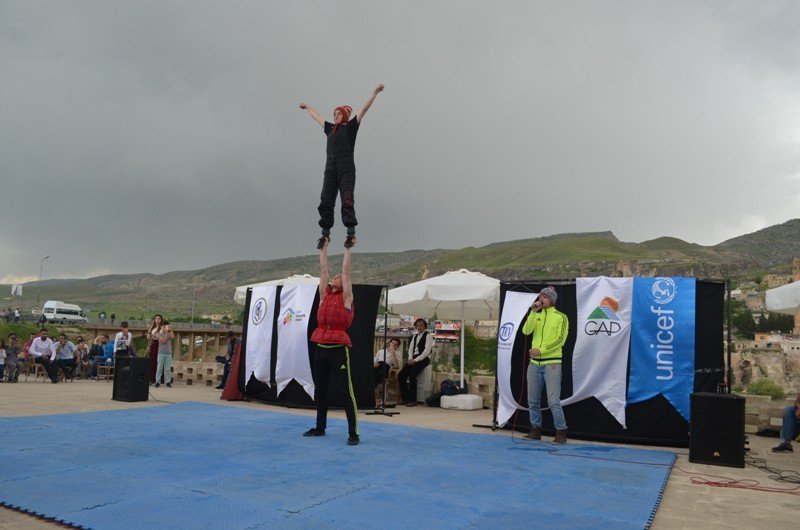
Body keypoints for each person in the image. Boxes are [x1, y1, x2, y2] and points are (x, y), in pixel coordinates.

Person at [299, 83, 385, 249]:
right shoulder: (330, 129)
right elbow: (317, 117)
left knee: (347, 198)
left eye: (338, 114)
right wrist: (308, 107)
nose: (335, 116)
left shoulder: (350, 127)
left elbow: (364, 109)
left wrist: (374, 93)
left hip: (346, 168)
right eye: (334, 114)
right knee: (326, 199)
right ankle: (325, 234)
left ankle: (351, 234)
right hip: (330, 169)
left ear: (344, 116)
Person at [303, 237, 360, 446]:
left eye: (338, 277)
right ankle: (320, 427)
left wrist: (347, 249)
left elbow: (346, 272)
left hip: (338, 349)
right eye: (334, 277)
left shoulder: (347, 297)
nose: (335, 277)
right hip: (320, 347)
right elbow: (323, 270)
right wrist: (324, 248)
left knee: (346, 393)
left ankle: (353, 433)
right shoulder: (323, 295)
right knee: (320, 390)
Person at [522, 286, 569, 444]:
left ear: (552, 300)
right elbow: (526, 331)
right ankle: (535, 430)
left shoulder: (561, 317)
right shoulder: (537, 315)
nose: (541, 299)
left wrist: (541, 350)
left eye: (545, 296)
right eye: (540, 296)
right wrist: (533, 312)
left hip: (552, 363)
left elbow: (560, 340)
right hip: (534, 364)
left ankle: (561, 431)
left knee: (553, 401)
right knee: (532, 400)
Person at [397, 318, 434, 407]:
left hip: (423, 359)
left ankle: (413, 400)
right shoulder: (415, 336)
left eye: (421, 325)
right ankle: (405, 398)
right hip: (414, 358)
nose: (419, 327)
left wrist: (415, 360)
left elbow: (426, 352)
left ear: (425, 326)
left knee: (412, 375)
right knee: (401, 375)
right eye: (417, 325)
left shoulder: (428, 336)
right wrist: (410, 358)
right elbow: (410, 349)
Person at [154, 322, 175, 388]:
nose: (167, 328)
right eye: (166, 326)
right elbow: (164, 341)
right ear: (163, 327)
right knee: (159, 368)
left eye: (168, 326)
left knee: (168, 369)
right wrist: (166, 333)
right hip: (161, 353)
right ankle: (157, 381)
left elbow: (173, 337)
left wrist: (171, 330)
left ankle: (168, 382)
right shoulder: (159, 334)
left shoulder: (169, 333)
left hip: (168, 353)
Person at [146, 315, 164, 383]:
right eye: (156, 318)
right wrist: (149, 330)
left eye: (159, 318)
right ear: (154, 320)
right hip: (153, 345)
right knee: (152, 362)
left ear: (161, 320)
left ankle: (158, 379)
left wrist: (157, 336)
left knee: (158, 362)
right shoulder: (152, 328)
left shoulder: (162, 328)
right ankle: (151, 378)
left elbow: (163, 337)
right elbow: (148, 338)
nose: (157, 320)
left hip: (159, 345)